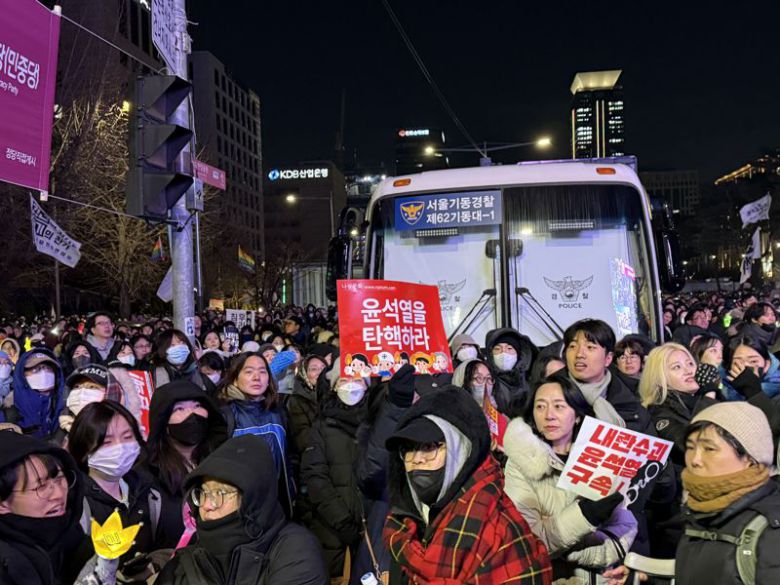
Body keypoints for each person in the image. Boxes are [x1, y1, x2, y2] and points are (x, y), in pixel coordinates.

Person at [382, 383, 551, 584]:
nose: (417, 458)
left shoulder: (502, 530)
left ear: (461, 450)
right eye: (409, 448)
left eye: (429, 446)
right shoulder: (402, 525)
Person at [503, 372, 636, 583]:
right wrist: (586, 516)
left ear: (578, 416)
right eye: (540, 406)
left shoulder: (602, 456)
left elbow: (626, 525)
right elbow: (529, 541)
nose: (548, 415)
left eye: (559, 406)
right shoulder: (519, 465)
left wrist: (567, 548)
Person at [155, 434, 328, 584]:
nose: (207, 505)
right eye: (203, 493)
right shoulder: (183, 565)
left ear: (253, 498)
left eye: (220, 493)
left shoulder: (296, 551)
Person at [675, 402, 780, 584]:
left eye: (709, 449)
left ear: (749, 458)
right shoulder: (696, 509)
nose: (695, 460)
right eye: (690, 447)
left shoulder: (770, 528)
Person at [0, 431, 115, 585]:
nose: (59, 494)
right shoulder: (7, 564)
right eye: (41, 487)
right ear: (2, 504)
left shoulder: (71, 532)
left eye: (59, 479)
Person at [68, 401, 164, 570]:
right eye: (107, 442)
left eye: (127, 437)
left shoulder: (148, 491)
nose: (120, 448)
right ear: (84, 449)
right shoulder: (74, 503)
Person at [139, 380, 227, 548]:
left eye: (197, 406)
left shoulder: (221, 461)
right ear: (163, 422)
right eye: (179, 409)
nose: (192, 415)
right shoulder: (148, 476)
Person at [301, 375, 368, 579]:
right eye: (343, 381)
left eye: (358, 381)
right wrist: (342, 521)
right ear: (334, 387)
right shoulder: (321, 425)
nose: (350, 386)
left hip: (372, 528)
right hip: (332, 529)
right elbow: (315, 476)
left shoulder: (377, 422)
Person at [218, 352, 295, 517]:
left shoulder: (279, 412)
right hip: (241, 511)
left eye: (262, 371)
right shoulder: (225, 416)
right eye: (248, 371)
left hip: (278, 507)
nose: (256, 377)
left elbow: (289, 458)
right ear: (235, 378)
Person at [563, 319, 644, 431]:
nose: (579, 354)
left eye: (590, 347)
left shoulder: (630, 398)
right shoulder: (549, 393)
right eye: (572, 346)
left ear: (608, 358)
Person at [4, 349, 66, 438]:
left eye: (48, 368)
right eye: (35, 369)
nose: (43, 373)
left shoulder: (64, 407)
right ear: (22, 375)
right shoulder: (8, 412)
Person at [483, 327, 537, 417]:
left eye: (509, 348)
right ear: (490, 355)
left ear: (518, 354)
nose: (503, 353)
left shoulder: (531, 379)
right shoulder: (487, 381)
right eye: (497, 349)